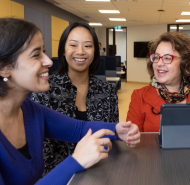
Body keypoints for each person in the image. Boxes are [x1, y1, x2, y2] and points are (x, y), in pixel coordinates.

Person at [0, 18, 140, 185]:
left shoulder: (29, 110)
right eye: (36, 55)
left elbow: (78, 128)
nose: (48, 61)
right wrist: (75, 161)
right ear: (3, 68)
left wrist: (117, 129)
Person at [31, 22, 126, 175]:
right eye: (73, 45)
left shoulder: (107, 91)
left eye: (87, 46)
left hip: (101, 174)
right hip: (60, 177)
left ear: (95, 50)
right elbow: (43, 153)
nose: (80, 52)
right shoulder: (45, 91)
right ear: (63, 49)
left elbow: (110, 139)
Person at [127, 32, 190, 132]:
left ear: (185, 63)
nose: (159, 63)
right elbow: (131, 142)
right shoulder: (139, 97)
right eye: (156, 57)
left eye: (167, 58)